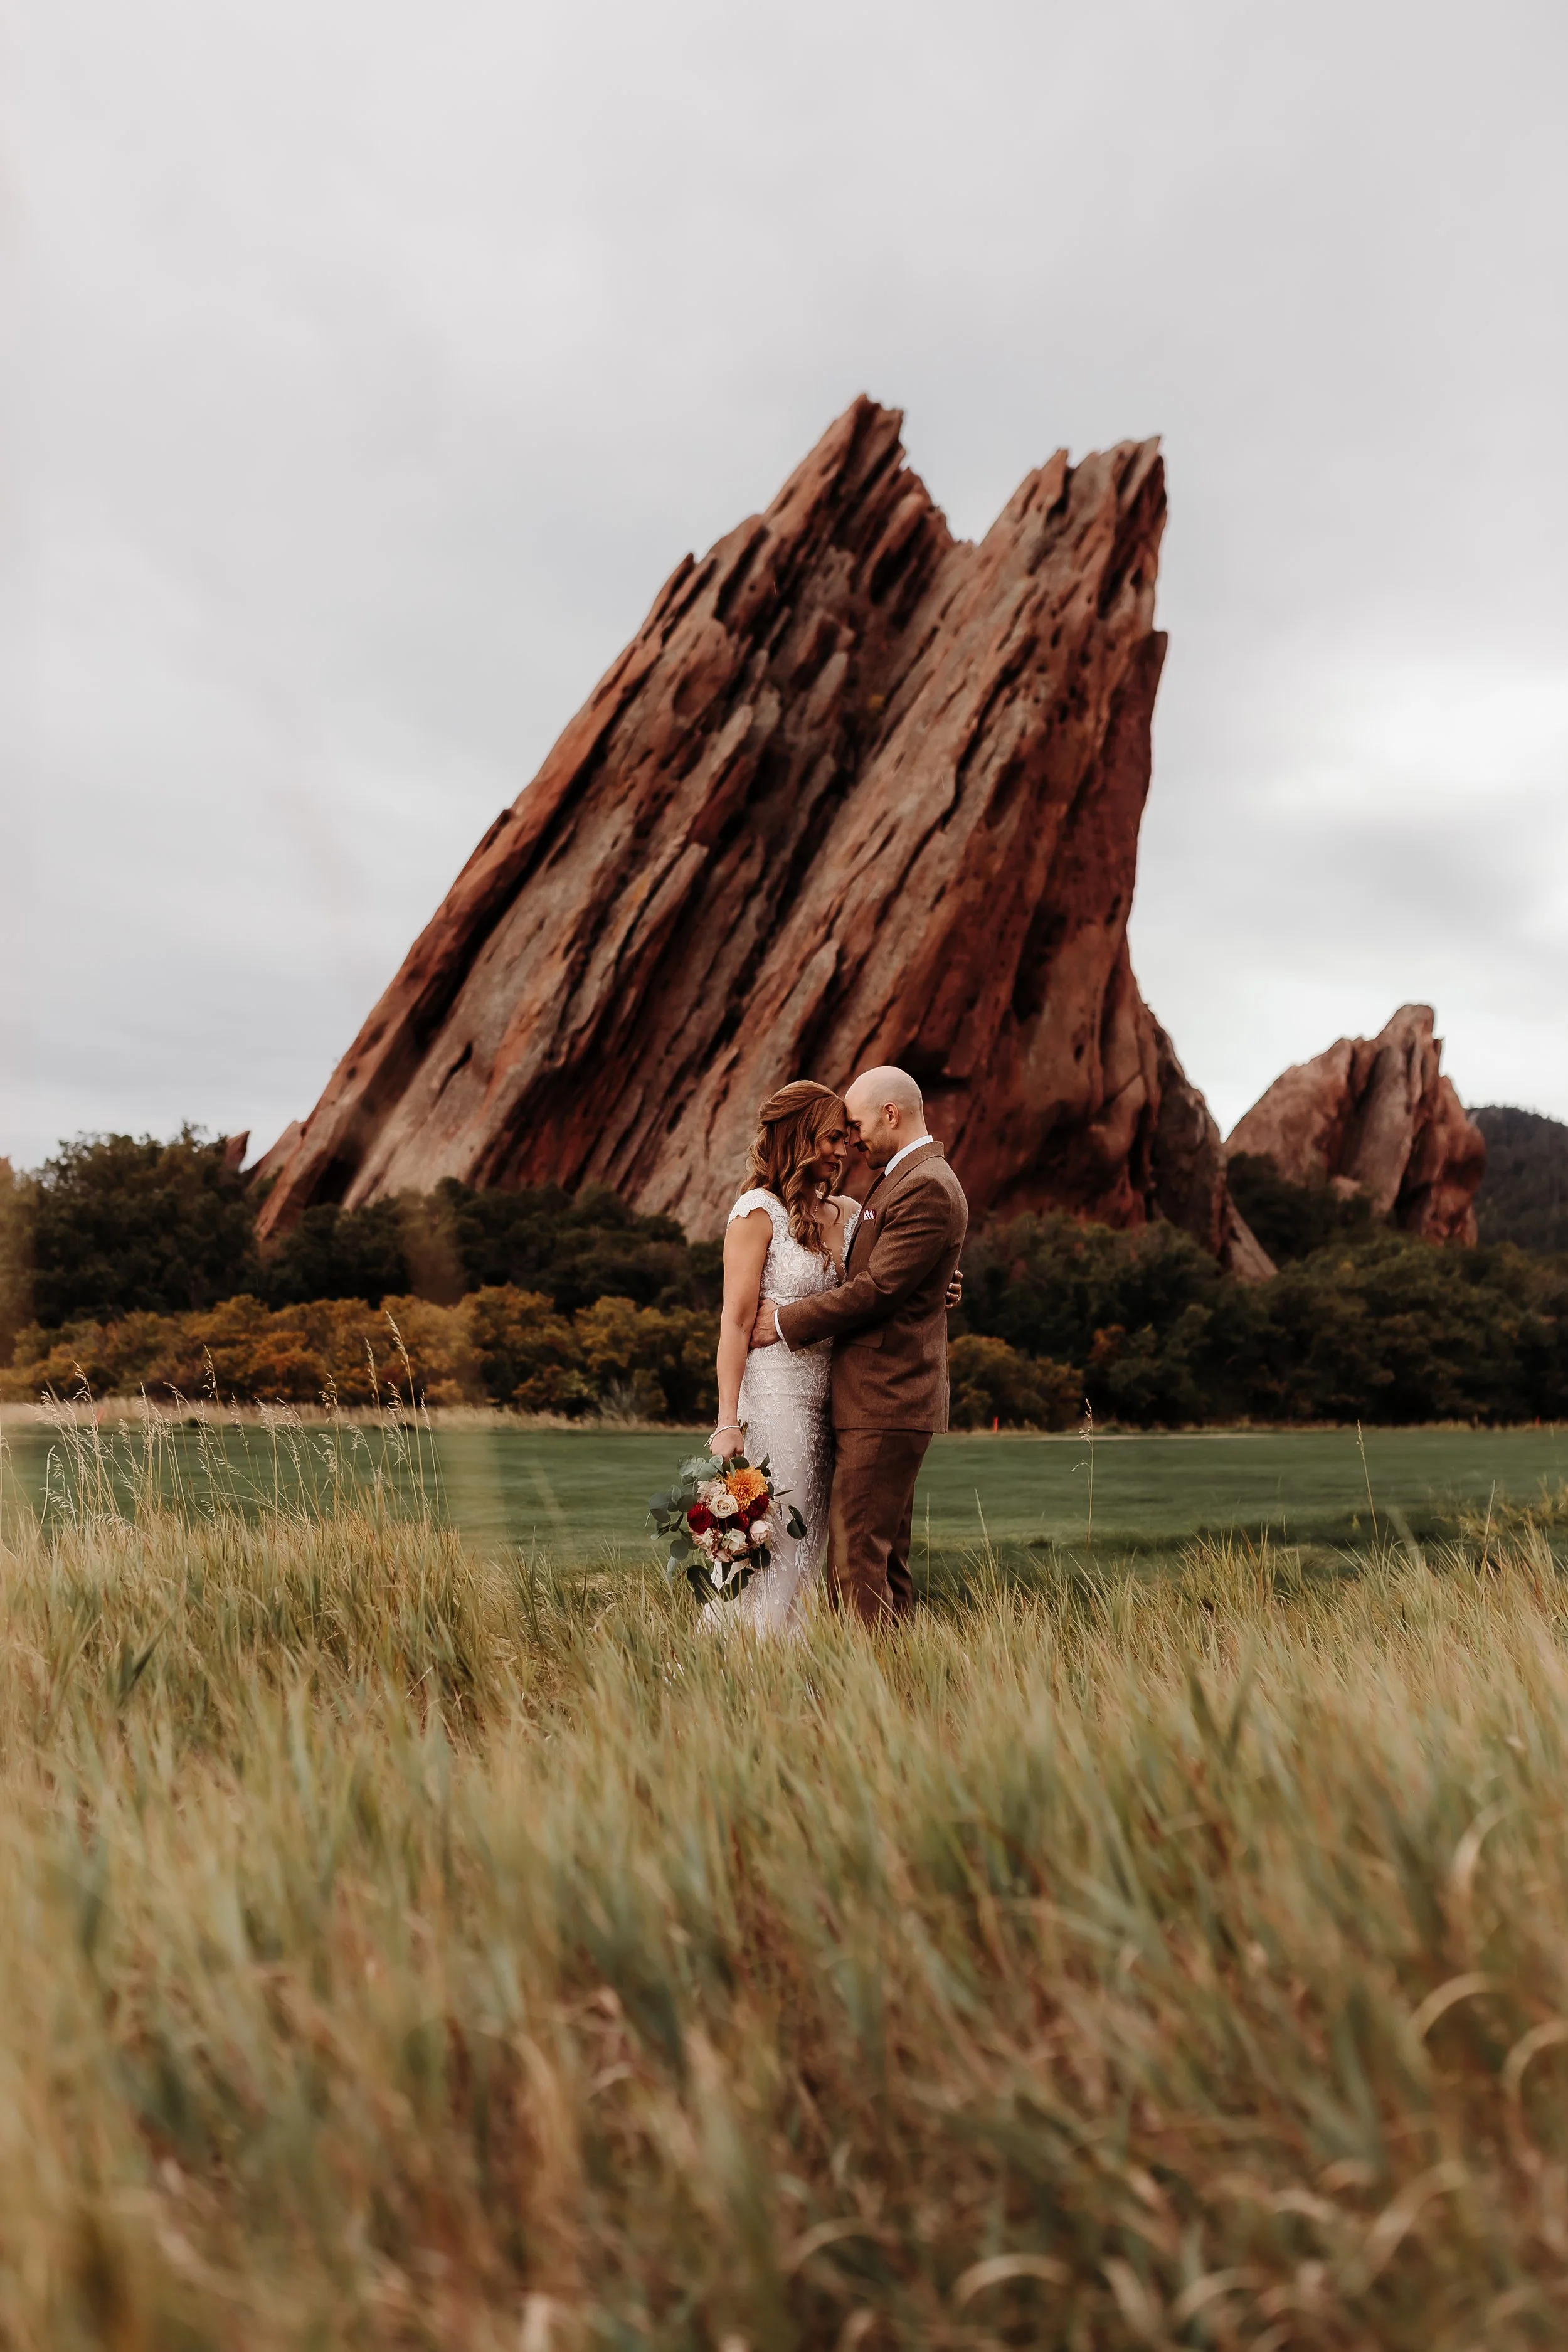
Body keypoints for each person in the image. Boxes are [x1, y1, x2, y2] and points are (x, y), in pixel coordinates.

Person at [746, 1066, 967, 1628]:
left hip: (886, 1397)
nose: (852, 1140)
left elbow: (877, 1289)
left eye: (857, 1125)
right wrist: (934, 1285)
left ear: (891, 1114)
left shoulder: (925, 1184)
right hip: (878, 1397)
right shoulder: (905, 1177)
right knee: (884, 1558)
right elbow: (890, 1274)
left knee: (855, 1561)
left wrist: (785, 1322)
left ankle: (864, 1694)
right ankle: (895, 1685)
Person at [711, 1081, 860, 1634]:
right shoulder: (757, 1212)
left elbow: (878, 1287)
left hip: (833, 1402)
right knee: (773, 1545)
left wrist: (943, 1287)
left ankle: (792, 1678)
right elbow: (734, 1323)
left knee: (811, 1550)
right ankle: (741, 1670)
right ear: (799, 1136)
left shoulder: (847, 1212)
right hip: (775, 1402)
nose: (842, 1152)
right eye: (831, 1139)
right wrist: (727, 1423)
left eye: (845, 1140)